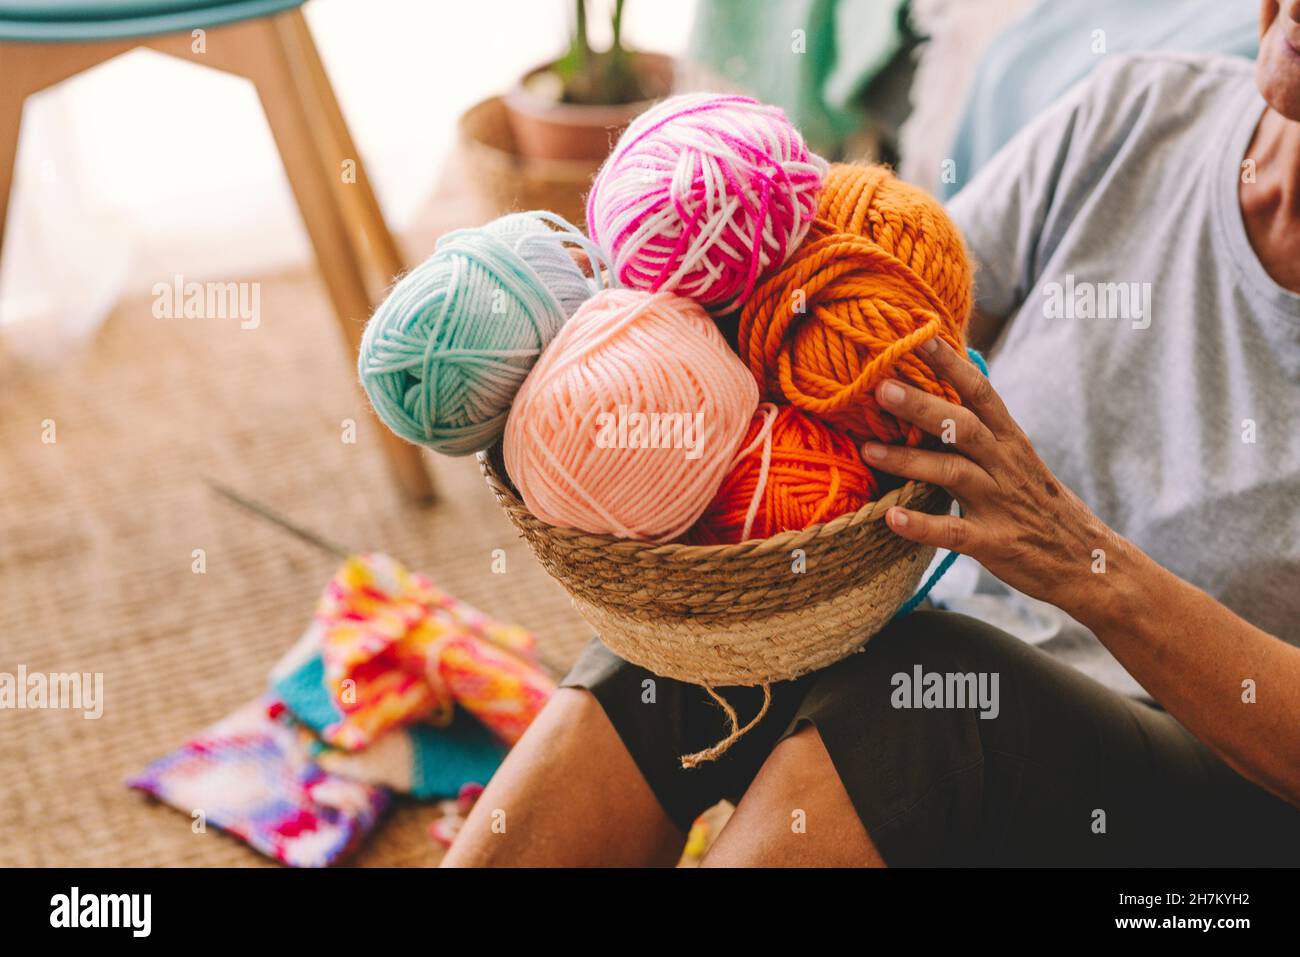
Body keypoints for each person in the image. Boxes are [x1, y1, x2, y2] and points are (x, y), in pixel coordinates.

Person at [443, 0, 1300, 866]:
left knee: (926, 700)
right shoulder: (1141, 111)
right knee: (698, 637)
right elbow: (882, 303)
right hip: (957, 617)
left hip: (1224, 786)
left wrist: (1088, 567)